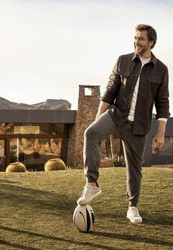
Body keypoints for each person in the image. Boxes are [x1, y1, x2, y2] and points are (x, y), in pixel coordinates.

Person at [77, 24, 169, 224]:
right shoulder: (123, 60)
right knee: (90, 133)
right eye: (135, 37)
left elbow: (163, 104)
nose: (137, 41)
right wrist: (99, 117)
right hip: (117, 114)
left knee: (134, 168)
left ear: (151, 42)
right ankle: (91, 183)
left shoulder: (161, 70)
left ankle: (132, 207)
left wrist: (160, 133)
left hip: (139, 125)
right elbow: (110, 90)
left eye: (141, 39)